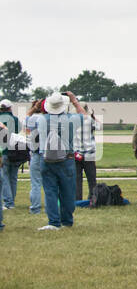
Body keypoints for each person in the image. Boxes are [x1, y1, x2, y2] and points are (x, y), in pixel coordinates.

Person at [31, 92, 82, 231]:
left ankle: (53, 222)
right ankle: (67, 220)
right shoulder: (72, 119)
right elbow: (86, 117)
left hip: (46, 158)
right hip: (67, 159)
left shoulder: (41, 119)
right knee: (68, 192)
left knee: (50, 191)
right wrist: (74, 100)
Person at [74, 107, 101, 202]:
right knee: (92, 179)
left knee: (77, 179)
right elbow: (100, 127)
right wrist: (93, 116)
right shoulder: (90, 120)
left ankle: (77, 199)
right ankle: (92, 198)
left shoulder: (72, 120)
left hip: (76, 153)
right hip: (89, 152)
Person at [0, 98, 18, 210]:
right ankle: (11, 200)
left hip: (4, 151)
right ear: (10, 108)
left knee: (5, 177)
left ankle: (8, 202)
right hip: (15, 151)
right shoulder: (15, 119)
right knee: (13, 177)